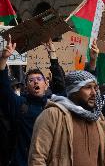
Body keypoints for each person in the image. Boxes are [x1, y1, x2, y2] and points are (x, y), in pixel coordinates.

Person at [0, 37, 65, 166]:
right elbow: (4, 88)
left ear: (46, 84)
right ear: (26, 86)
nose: (35, 81)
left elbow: (60, 86)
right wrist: (3, 59)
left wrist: (53, 55)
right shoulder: (20, 104)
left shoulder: (54, 104)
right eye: (31, 80)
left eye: (39, 79)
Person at [28, 70, 105, 166]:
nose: (94, 93)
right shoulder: (53, 115)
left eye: (95, 88)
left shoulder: (99, 121)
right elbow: (37, 158)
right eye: (88, 87)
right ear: (74, 91)